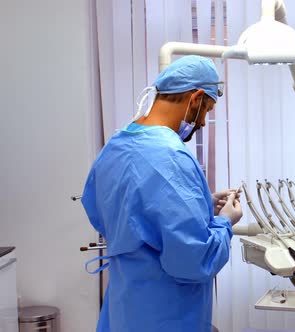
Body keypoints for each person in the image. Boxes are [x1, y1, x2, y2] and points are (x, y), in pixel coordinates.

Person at [82, 55, 242, 332]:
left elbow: (115, 214)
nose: (203, 122)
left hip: (126, 306)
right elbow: (195, 260)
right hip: (166, 313)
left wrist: (203, 204)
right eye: (207, 110)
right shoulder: (171, 156)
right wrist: (225, 222)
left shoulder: (115, 146)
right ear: (196, 98)